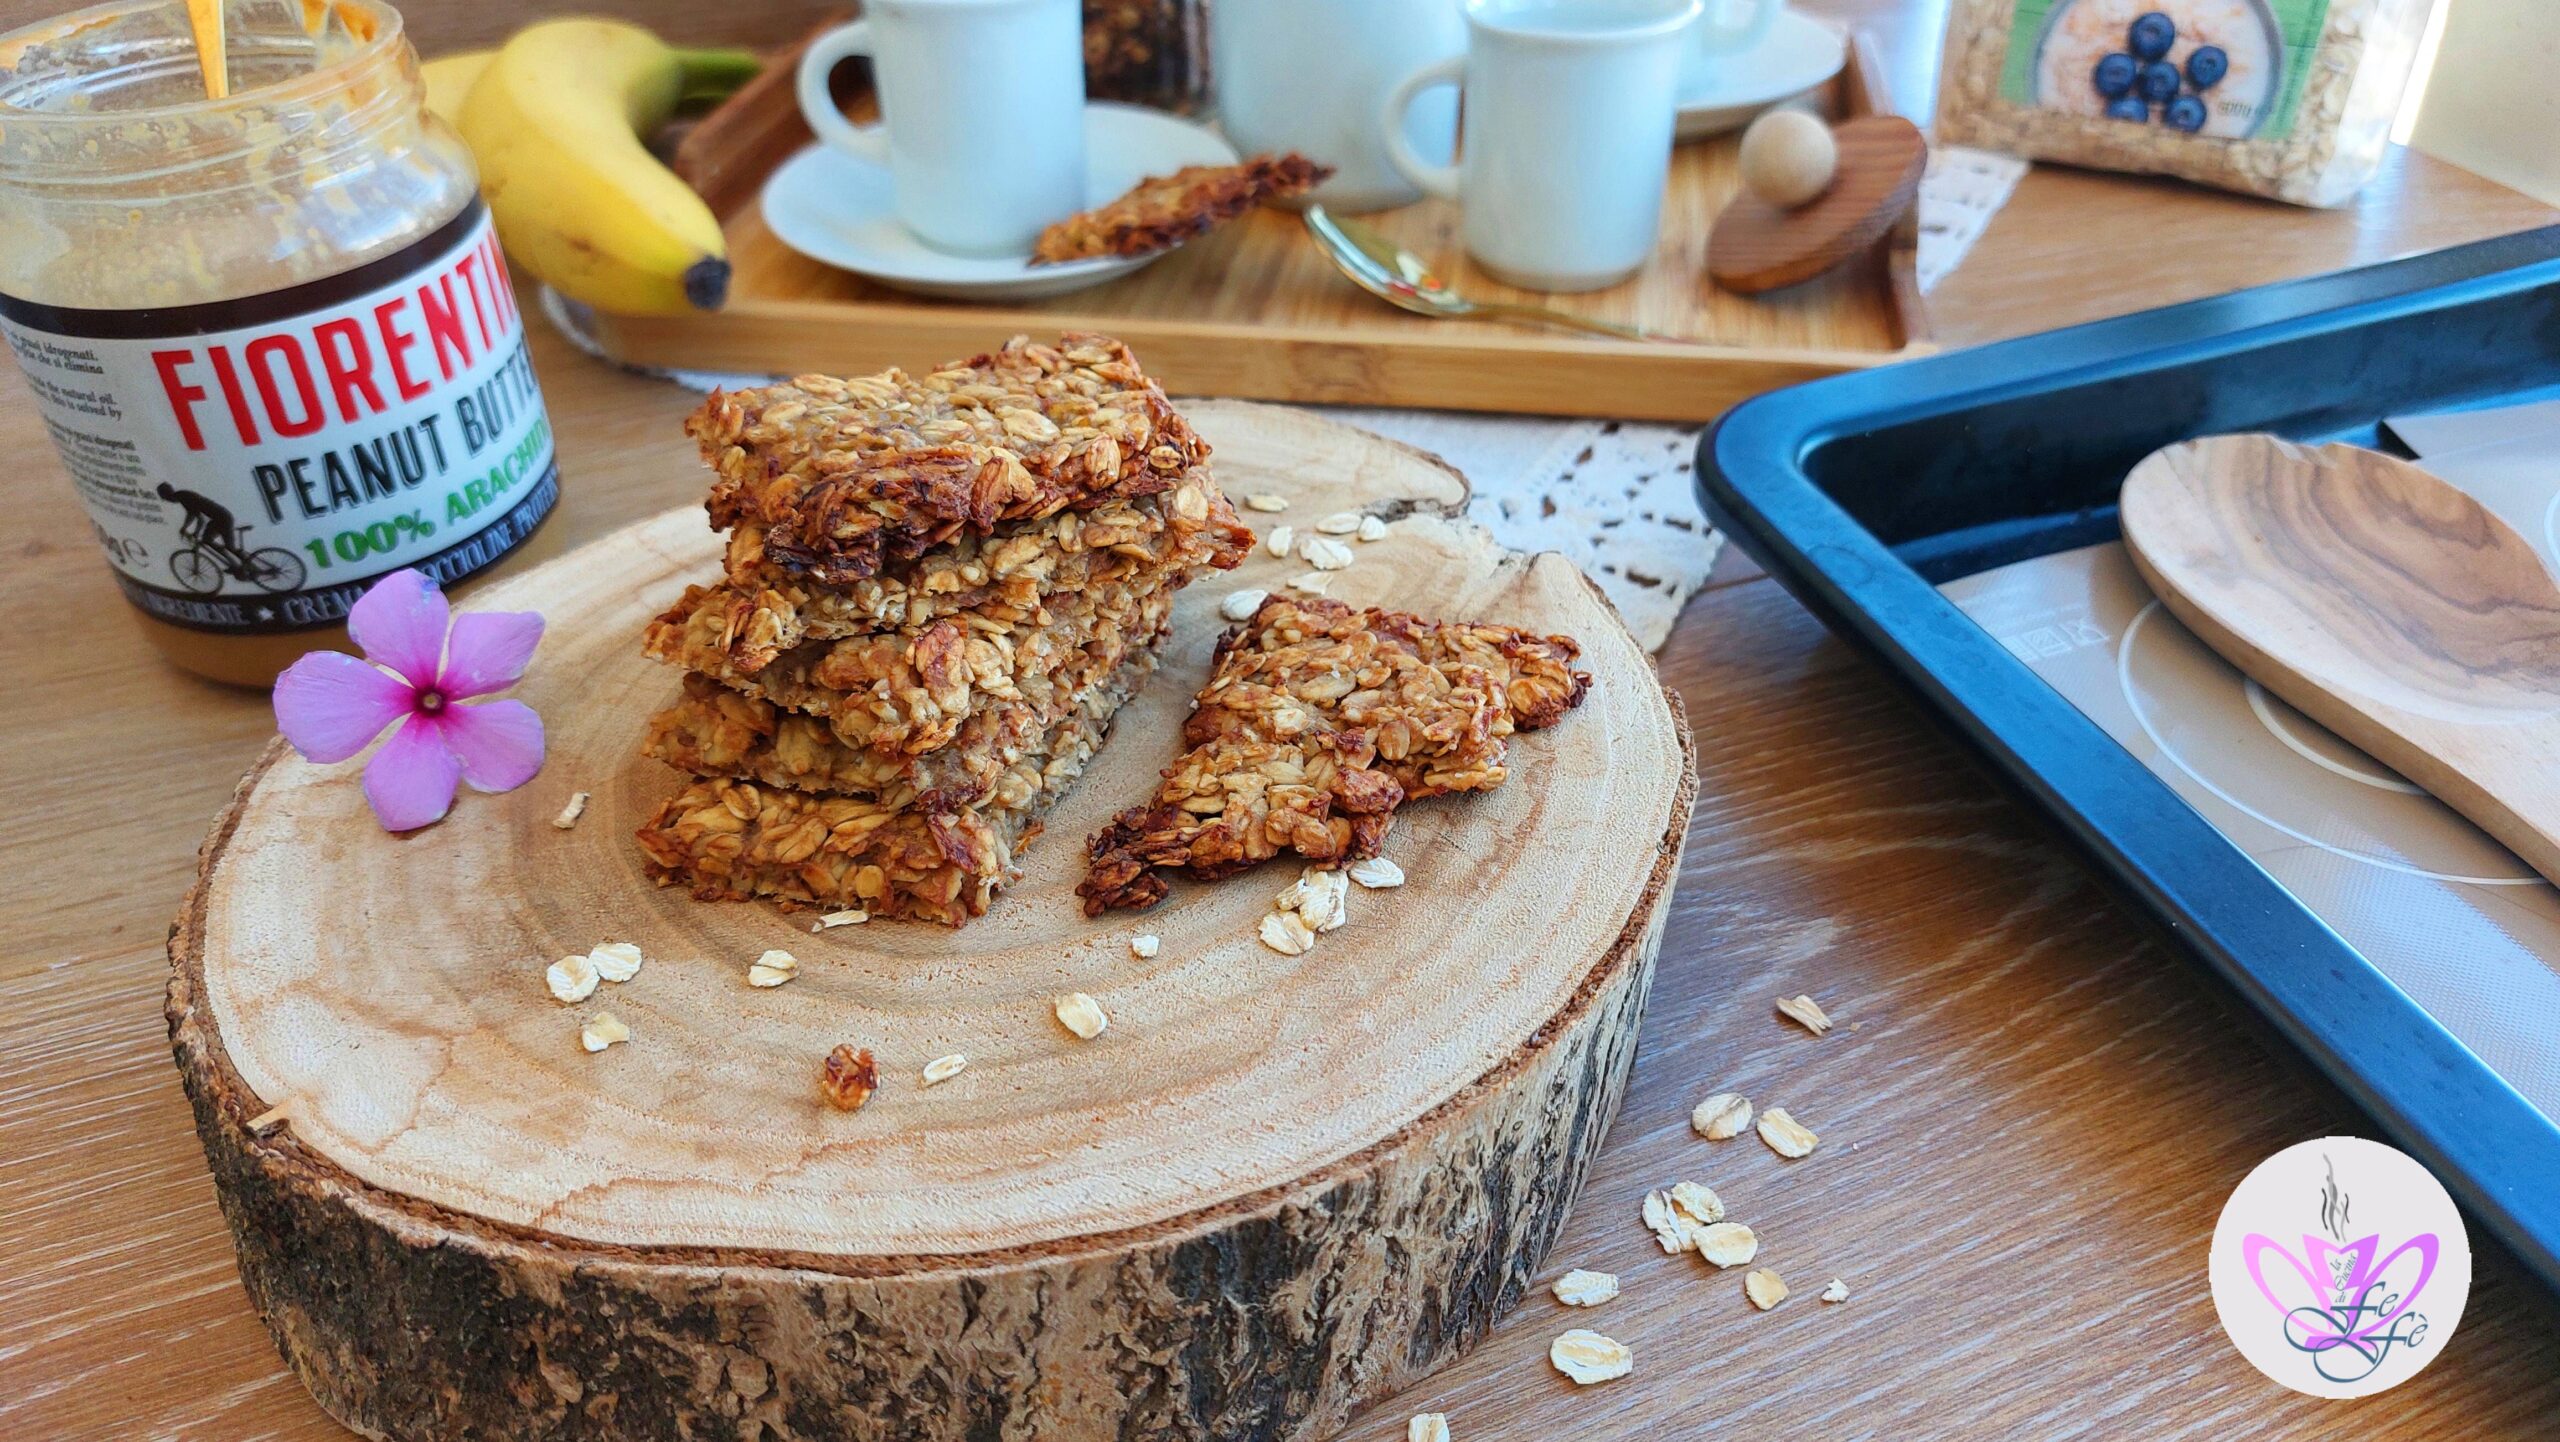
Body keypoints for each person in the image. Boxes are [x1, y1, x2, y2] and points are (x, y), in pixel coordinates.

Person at [157, 482, 238, 560]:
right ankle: (234, 562)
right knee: (208, 540)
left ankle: (240, 564)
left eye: (165, 498)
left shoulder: (182, 496)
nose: (168, 501)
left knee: (229, 547)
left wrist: (195, 532)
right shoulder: (182, 495)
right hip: (219, 518)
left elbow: (200, 519)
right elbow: (191, 514)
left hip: (222, 518)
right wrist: (185, 527)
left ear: (167, 495)